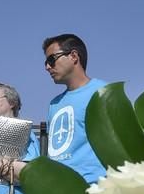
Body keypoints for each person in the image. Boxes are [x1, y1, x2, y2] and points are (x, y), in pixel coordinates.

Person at [43, 33, 107, 184]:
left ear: (73, 56)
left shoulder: (103, 92)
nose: (47, 67)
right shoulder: (54, 104)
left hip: (95, 189)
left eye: (51, 59)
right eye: (46, 62)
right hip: (59, 191)